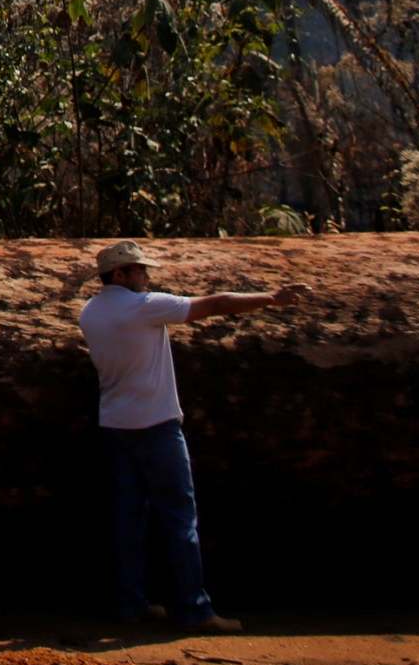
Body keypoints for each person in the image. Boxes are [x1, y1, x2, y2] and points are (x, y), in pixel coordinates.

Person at [77, 240, 314, 632]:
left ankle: (130, 604)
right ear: (119, 274)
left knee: (128, 520)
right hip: (156, 425)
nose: (146, 277)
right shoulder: (143, 307)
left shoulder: (91, 311)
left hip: (116, 425)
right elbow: (215, 303)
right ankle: (194, 609)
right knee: (179, 518)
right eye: (140, 271)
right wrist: (272, 298)